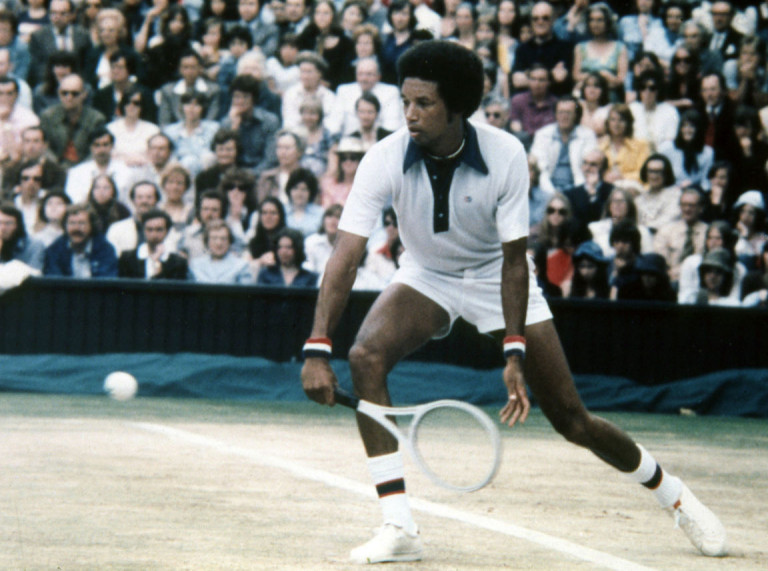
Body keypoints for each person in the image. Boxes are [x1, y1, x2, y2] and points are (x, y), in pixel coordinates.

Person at [299, 41, 726, 564]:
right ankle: (399, 526)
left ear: (457, 108)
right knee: (365, 356)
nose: (409, 114)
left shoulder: (505, 154)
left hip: (495, 276)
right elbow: (345, 256)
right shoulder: (383, 157)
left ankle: (673, 495)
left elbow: (513, 262)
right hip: (427, 275)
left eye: (424, 103)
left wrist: (514, 351)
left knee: (572, 421)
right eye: (405, 101)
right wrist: (317, 347)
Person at [529, 95, 598, 193]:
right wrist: (552, 194)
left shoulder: (587, 135)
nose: (564, 116)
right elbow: (541, 169)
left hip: (578, 188)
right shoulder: (543, 134)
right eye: (561, 112)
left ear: (576, 115)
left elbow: (588, 169)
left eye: (568, 113)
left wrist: (579, 192)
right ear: (555, 114)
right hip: (546, 188)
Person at [40, 74, 107, 167]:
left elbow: (98, 149)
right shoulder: (48, 116)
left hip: (85, 168)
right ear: (58, 93)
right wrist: (56, 167)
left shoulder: (96, 119)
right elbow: (43, 146)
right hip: (54, 167)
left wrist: (80, 170)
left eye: (74, 93)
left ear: (84, 94)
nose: (69, 97)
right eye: (64, 93)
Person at [510, 2, 573, 96]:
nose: (540, 22)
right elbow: (517, 81)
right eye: (535, 19)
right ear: (531, 22)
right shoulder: (522, 49)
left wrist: (528, 76)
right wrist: (551, 76)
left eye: (545, 18)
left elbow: (562, 79)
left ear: (553, 20)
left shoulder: (565, 48)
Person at [678, 220, 746, 304]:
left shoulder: (739, 269)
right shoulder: (691, 262)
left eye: (718, 238)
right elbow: (684, 297)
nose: (713, 243)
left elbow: (735, 301)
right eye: (710, 238)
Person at [43, 202, 118, 277]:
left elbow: (106, 280)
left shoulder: (105, 249)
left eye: (82, 223)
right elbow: (54, 280)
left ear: (91, 225)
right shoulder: (55, 250)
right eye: (72, 223)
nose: (76, 228)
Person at [27, 0, 92, 87]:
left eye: (63, 13)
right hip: (49, 84)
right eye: (53, 13)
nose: (58, 17)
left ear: (72, 15)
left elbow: (87, 65)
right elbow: (37, 68)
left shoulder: (82, 35)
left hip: (77, 84)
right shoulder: (39, 36)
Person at [64, 127, 135, 205]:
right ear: (90, 147)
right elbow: (72, 202)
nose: (101, 150)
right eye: (97, 145)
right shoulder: (76, 173)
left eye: (105, 145)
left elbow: (129, 203)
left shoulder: (126, 172)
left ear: (112, 146)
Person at [571, 2, 627, 101]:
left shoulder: (620, 48)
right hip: (586, 98)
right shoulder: (580, 48)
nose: (595, 24)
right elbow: (576, 76)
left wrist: (590, 78)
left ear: (607, 22)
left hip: (611, 98)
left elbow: (621, 79)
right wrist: (602, 75)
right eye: (592, 20)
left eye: (599, 20)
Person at [652, 187, 709, 285]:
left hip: (698, 280)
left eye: (691, 205)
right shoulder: (666, 230)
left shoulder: (708, 232)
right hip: (670, 279)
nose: (687, 209)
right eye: (683, 205)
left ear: (701, 208)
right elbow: (660, 259)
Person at [157, 49, 222, 128]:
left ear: (200, 68)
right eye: (185, 67)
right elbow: (164, 123)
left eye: (193, 67)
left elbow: (211, 120)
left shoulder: (213, 90)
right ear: (180, 69)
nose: (189, 71)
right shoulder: (168, 91)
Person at [118, 209, 189, 279]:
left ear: (167, 231)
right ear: (143, 230)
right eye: (149, 229)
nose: (154, 235)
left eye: (159, 230)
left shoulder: (177, 262)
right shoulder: (128, 258)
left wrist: (157, 263)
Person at [163, 91, 221, 178]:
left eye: (196, 105)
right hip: (178, 172)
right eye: (188, 104)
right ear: (182, 107)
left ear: (202, 108)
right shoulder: (170, 131)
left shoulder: (214, 128)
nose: (191, 108)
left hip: (205, 173)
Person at [657, 108, 715, 190]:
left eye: (691, 126)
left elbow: (706, 181)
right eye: (684, 126)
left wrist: (694, 188)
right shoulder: (667, 148)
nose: (687, 130)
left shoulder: (707, 152)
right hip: (671, 190)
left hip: (695, 192)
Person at [589, 187, 654, 258]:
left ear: (629, 206)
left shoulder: (642, 231)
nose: (617, 204)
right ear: (609, 206)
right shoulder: (595, 228)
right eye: (614, 201)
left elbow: (649, 258)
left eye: (622, 201)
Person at [106, 86, 162, 167]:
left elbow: (155, 157)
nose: (131, 106)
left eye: (136, 103)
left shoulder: (153, 130)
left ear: (142, 106)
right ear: (123, 104)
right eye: (127, 102)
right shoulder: (110, 129)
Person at [598, 103, 652, 184]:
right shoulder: (601, 147)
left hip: (633, 186)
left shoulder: (641, 145)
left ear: (628, 123)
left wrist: (623, 177)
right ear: (608, 123)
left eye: (621, 120)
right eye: (613, 120)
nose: (616, 124)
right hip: (608, 185)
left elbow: (644, 173)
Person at [188, 218, 253, 283]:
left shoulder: (241, 266)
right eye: (214, 238)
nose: (219, 243)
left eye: (223, 238)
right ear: (207, 241)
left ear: (229, 241)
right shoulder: (195, 265)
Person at [563, 148, 614, 229]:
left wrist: (593, 194)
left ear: (604, 169)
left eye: (593, 164)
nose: (587, 168)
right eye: (585, 163)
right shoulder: (571, 194)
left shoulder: (612, 192)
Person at [635, 153, 682, 234]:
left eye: (658, 172)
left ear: (666, 174)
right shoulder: (639, 199)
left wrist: (645, 229)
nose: (654, 176)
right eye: (651, 171)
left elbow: (669, 219)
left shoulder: (675, 195)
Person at [509, 64, 556, 140]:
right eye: (533, 79)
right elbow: (515, 126)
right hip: (524, 141)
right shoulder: (518, 100)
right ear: (528, 81)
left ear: (548, 82)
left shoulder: (555, 103)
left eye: (541, 80)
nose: (537, 83)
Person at [245, 195, 286, 273]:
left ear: (280, 216)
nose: (268, 217)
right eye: (264, 213)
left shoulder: (287, 240)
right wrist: (260, 261)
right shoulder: (254, 242)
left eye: (273, 213)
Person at [0, 202, 45, 271]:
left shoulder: (34, 245)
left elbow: (35, 273)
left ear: (18, 225)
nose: (3, 228)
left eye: (8, 223)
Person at [284, 167, 324, 236]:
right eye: (295, 188)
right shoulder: (282, 211)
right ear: (289, 190)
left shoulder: (320, 213)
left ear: (311, 192)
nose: (299, 193)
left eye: (304, 189)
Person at [303, 202, 341, 274]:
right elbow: (308, 269)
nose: (333, 221)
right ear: (323, 220)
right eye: (329, 216)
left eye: (338, 217)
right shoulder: (311, 242)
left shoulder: (348, 245)